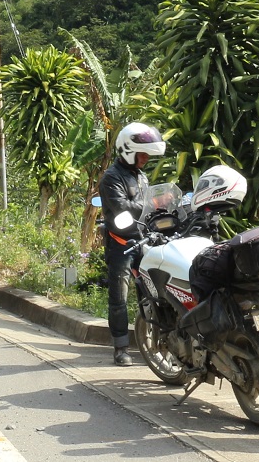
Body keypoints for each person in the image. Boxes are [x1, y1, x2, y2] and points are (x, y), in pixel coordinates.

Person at [98, 122, 165, 366]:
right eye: (142, 153)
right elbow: (122, 208)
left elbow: (148, 209)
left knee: (152, 294)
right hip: (121, 244)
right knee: (119, 297)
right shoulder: (111, 178)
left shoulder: (141, 176)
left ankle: (154, 343)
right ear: (128, 150)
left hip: (144, 240)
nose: (146, 158)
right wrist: (155, 203)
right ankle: (121, 348)